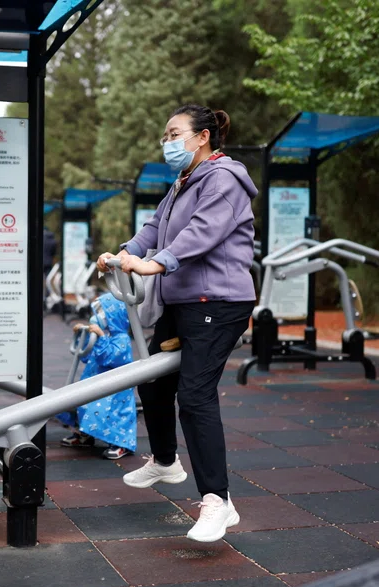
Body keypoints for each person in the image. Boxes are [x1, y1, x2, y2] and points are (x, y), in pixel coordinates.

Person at [97, 104, 257, 543]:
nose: (167, 142)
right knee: (151, 381)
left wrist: (156, 264)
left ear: (202, 137)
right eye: (165, 136)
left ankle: (217, 501)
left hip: (219, 300)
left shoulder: (223, 179)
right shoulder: (183, 181)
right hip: (183, 300)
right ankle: (166, 461)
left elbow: (202, 232)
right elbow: (154, 227)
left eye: (174, 134)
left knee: (195, 395)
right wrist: (122, 253)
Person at [57, 294, 137, 459]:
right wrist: (83, 335)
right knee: (77, 402)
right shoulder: (105, 336)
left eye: (103, 314)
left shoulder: (121, 339)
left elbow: (107, 358)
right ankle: (84, 434)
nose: (97, 317)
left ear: (114, 316)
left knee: (101, 410)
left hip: (113, 390)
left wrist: (100, 337)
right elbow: (86, 356)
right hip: (95, 384)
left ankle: (121, 443)